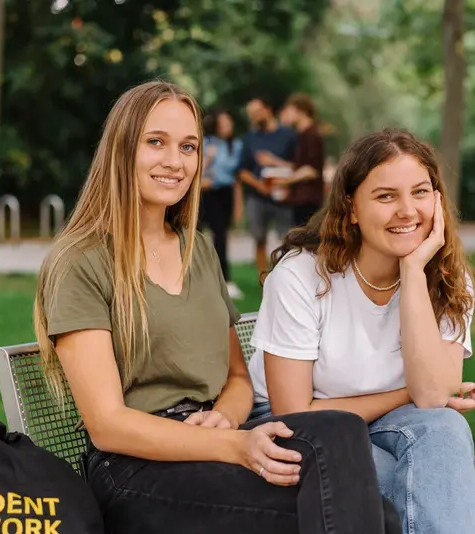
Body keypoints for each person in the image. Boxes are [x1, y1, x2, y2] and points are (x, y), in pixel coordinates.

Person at [34, 81, 401, 534]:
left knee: (340, 436)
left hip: (217, 436)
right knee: (359, 517)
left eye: (188, 146)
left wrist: (227, 418)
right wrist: (234, 445)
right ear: (121, 149)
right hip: (135, 468)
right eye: (156, 142)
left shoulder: (199, 251)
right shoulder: (81, 261)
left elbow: (236, 377)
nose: (175, 161)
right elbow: (108, 425)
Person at [248, 127, 475, 533]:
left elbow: (432, 400)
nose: (407, 210)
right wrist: (410, 392)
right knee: (397, 476)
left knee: (446, 429)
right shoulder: (302, 275)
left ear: (438, 200)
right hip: (296, 426)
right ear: (351, 207)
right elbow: (296, 413)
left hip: (391, 419)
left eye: (420, 192)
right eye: (386, 196)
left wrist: (412, 270)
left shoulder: (449, 277)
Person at [238, 97, 296, 274]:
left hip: (283, 196)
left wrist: (275, 164)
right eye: (251, 115)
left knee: (288, 240)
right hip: (257, 197)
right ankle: (263, 280)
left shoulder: (288, 135)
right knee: (259, 239)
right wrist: (259, 185)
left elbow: (297, 166)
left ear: (268, 109)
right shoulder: (249, 139)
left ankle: (288, 278)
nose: (254, 117)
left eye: (257, 112)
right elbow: (242, 171)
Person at [258, 93, 324, 227]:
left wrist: (284, 182)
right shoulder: (301, 135)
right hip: (299, 199)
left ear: (301, 111)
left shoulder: (311, 135)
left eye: (290, 110)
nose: (287, 114)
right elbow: (300, 165)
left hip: (308, 198)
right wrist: (274, 161)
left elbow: (311, 170)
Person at [199, 109, 244, 300]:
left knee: (222, 237)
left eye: (229, 123)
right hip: (204, 193)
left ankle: (225, 280)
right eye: (224, 123)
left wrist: (238, 206)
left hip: (224, 193)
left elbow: (236, 176)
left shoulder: (236, 145)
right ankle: (198, 279)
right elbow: (197, 168)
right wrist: (208, 157)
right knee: (196, 235)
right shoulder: (204, 142)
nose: (228, 126)